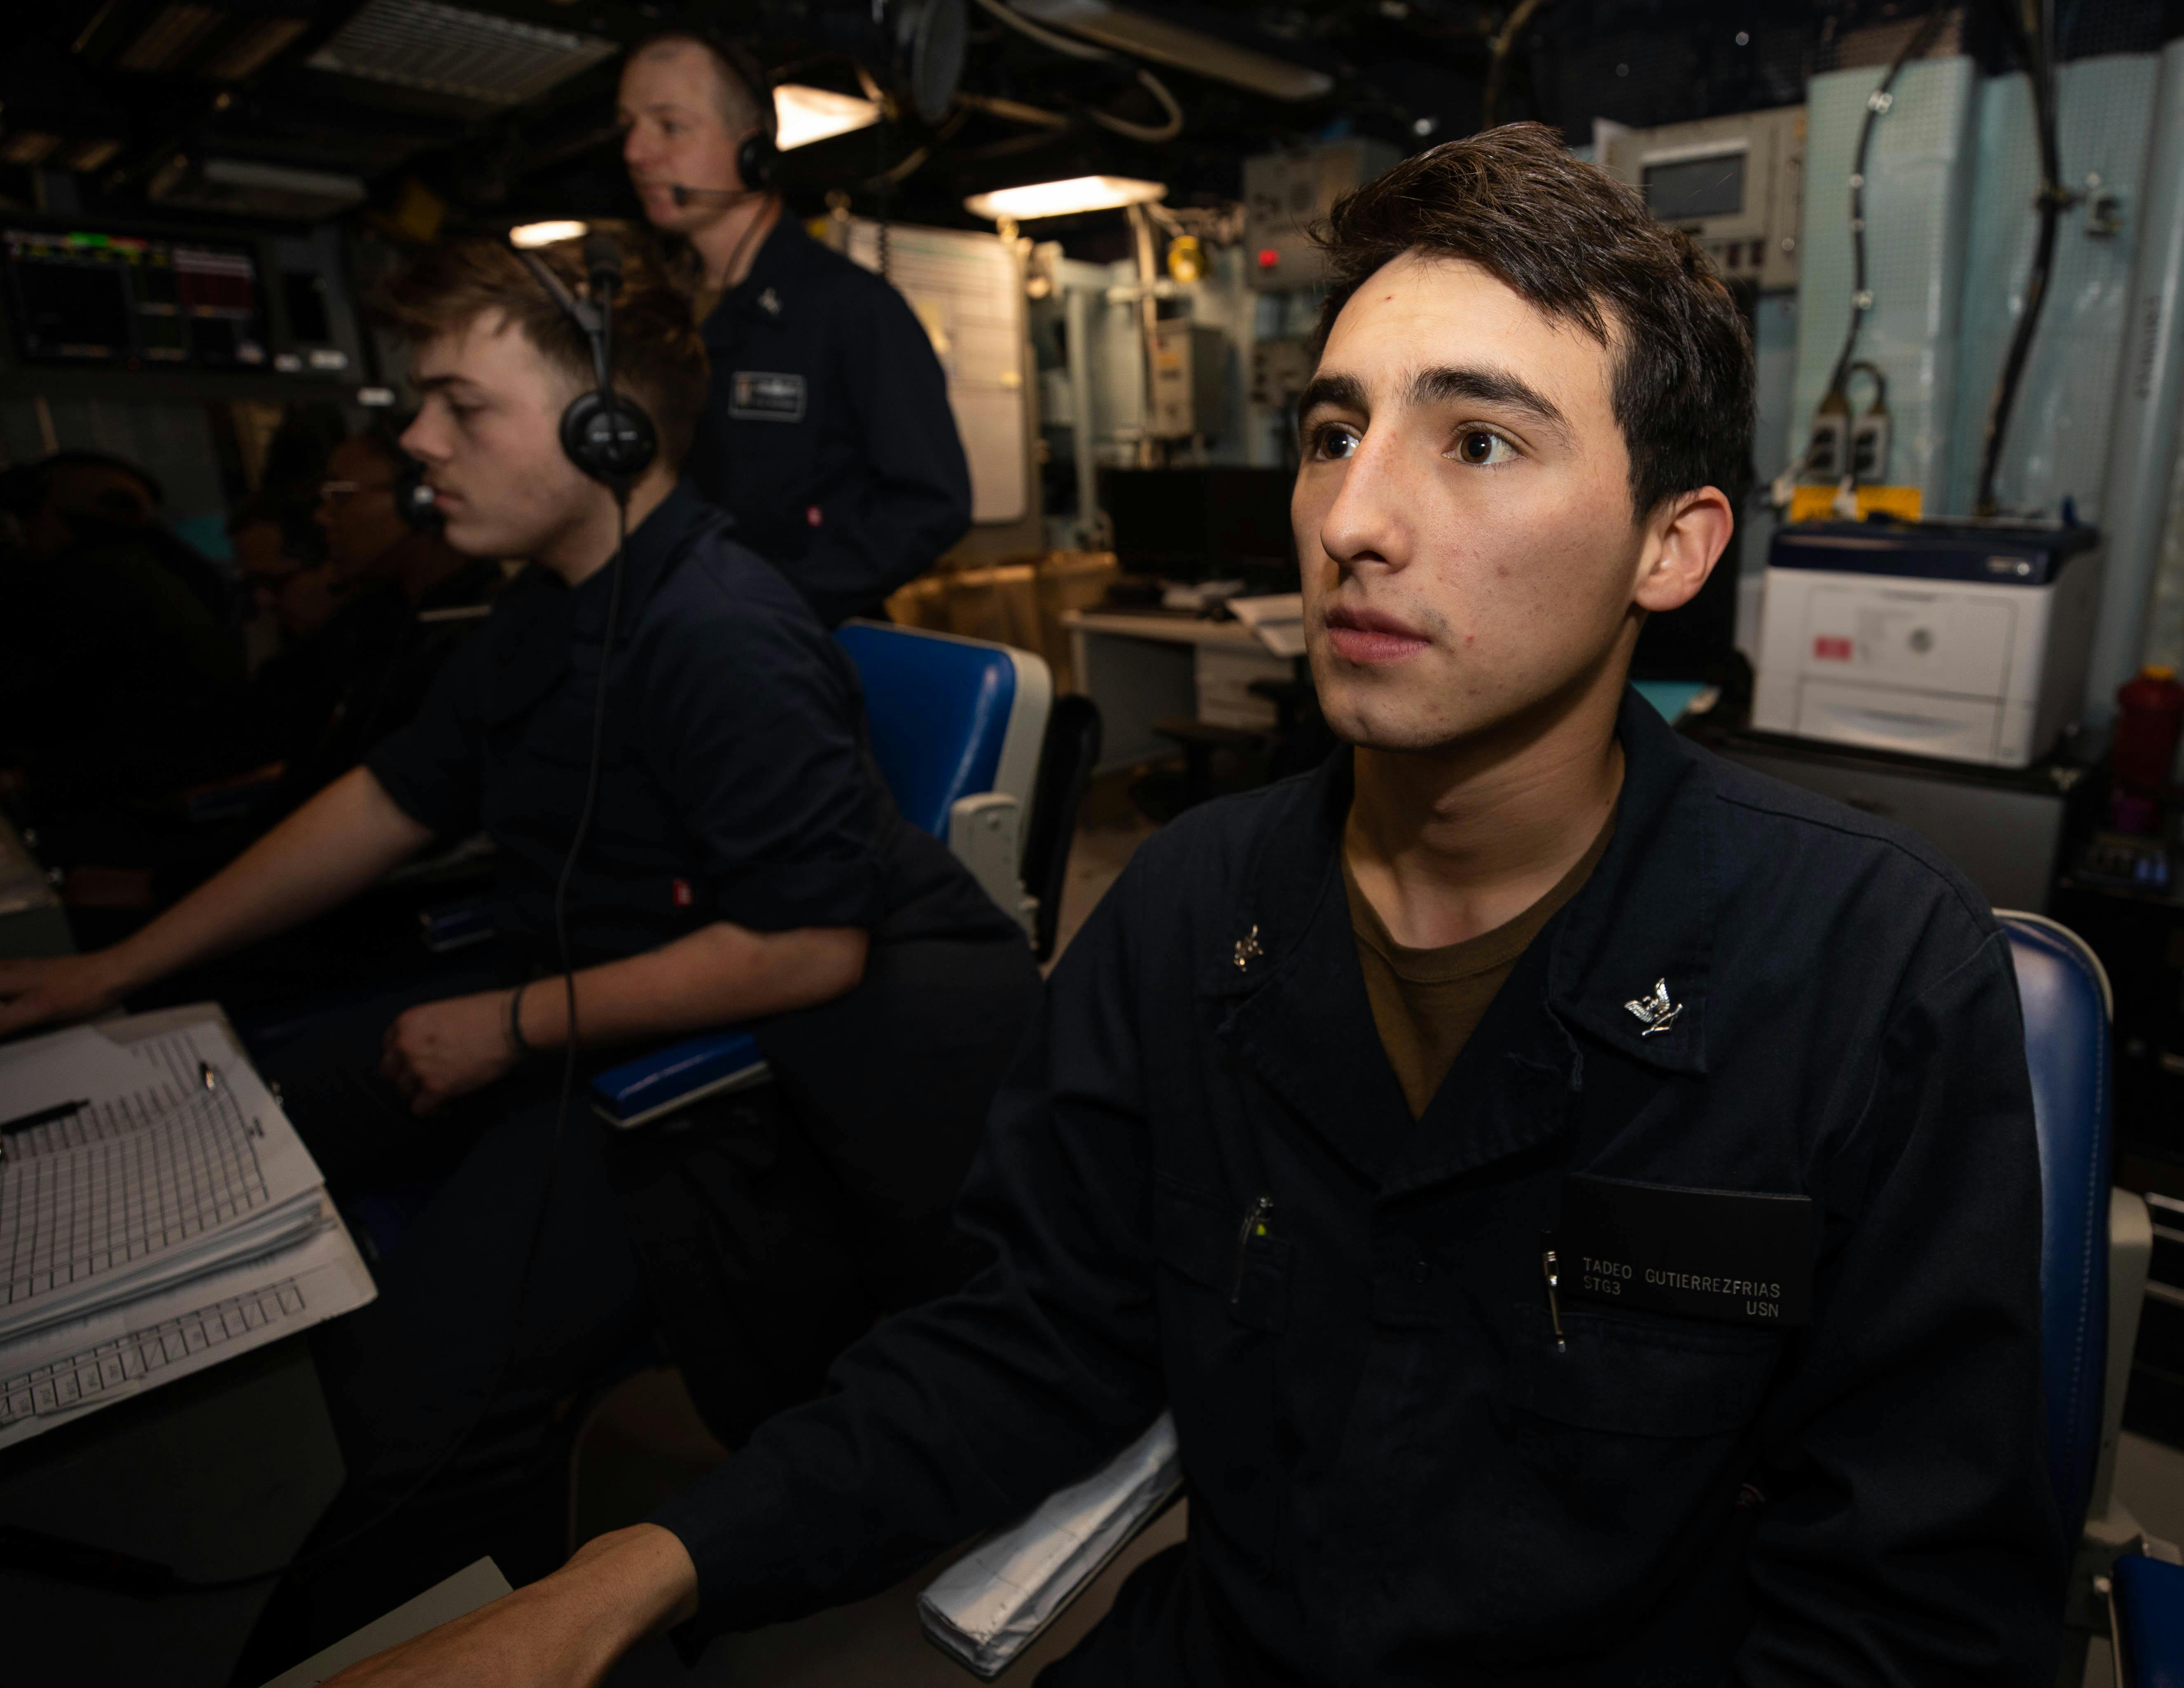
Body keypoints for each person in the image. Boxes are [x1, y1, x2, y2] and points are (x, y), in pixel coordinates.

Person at [304, 125, 2064, 1688]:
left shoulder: (1859, 962)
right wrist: (621, 1580)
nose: (1352, 519)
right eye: (1330, 430)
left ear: (1669, 549)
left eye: (1477, 442)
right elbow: (1029, 1342)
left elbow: (1907, 1616)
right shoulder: (1189, 908)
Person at [0, 232, 1038, 1672]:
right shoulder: (546, 608)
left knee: (422, 1398)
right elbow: (391, 799)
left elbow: (804, 950)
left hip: (748, 1085)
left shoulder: (719, 636)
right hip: (596, 1008)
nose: (417, 440)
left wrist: (510, 1020)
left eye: (458, 406)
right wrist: (117, 972)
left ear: (604, 422)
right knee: (254, 1117)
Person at [618, 28, 973, 627]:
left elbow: (930, 503)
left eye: (670, 126)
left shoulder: (849, 307)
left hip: (793, 655)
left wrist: (778, 599)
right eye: (627, 126)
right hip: (669, 637)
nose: (635, 152)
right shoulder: (656, 313)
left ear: (751, 147)